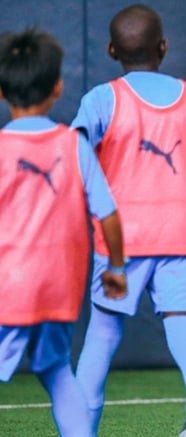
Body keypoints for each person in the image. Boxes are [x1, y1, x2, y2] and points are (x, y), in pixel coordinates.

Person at [71, 5, 186, 437]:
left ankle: (80, 431)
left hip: (122, 242)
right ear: (164, 47)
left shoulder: (101, 99)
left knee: (101, 335)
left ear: (111, 50)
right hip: (183, 239)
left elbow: (75, 156)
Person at [0, 28, 127, 437]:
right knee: (56, 370)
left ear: (1, 92)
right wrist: (118, 268)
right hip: (59, 287)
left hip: (9, 285)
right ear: (57, 88)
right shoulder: (75, 146)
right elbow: (108, 214)